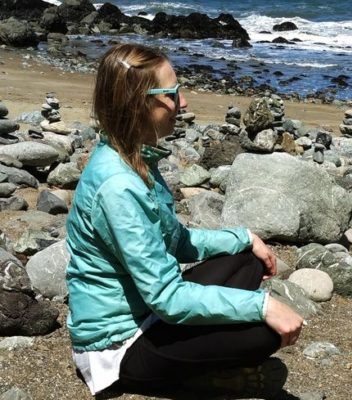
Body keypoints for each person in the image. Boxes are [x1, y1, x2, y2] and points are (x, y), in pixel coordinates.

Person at [65, 43, 303, 398]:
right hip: (119, 346)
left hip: (148, 314)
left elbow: (176, 241)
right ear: (139, 102)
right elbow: (167, 297)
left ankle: (196, 367)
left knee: (247, 261)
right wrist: (262, 305)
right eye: (173, 93)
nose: (184, 102)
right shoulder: (118, 186)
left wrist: (244, 237)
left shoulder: (135, 157)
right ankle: (177, 380)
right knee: (263, 331)